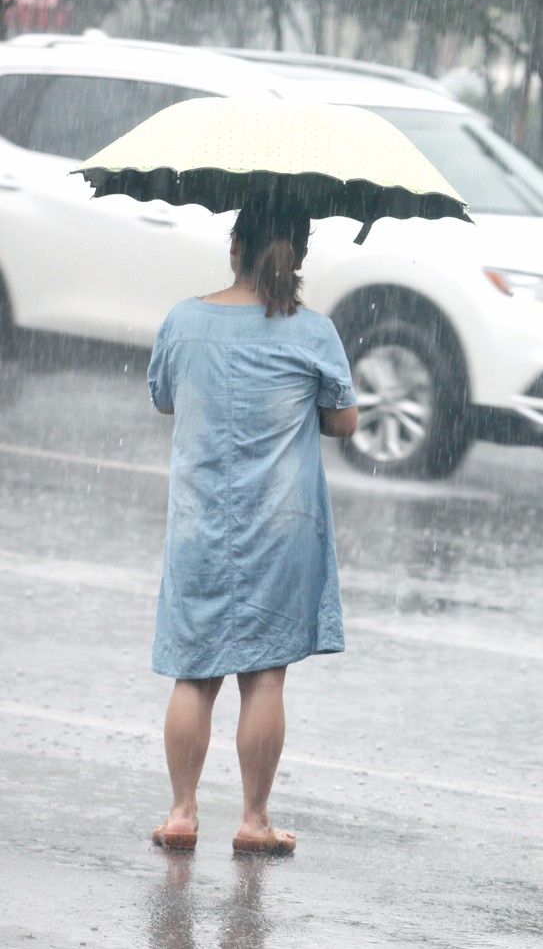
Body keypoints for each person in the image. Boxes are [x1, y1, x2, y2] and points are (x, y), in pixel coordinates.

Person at [146, 192, 358, 857]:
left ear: (233, 246)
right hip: (279, 526)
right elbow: (344, 420)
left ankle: (182, 812)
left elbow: (164, 398)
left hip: (200, 523)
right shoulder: (313, 332)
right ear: (297, 255)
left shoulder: (184, 321)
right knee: (264, 673)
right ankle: (254, 818)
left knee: (194, 671)